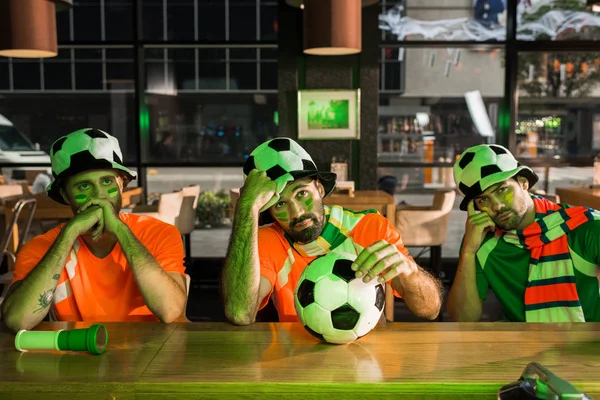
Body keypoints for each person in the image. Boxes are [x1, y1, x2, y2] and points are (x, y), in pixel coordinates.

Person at [222, 137, 442, 325]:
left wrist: (410, 272)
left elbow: (430, 309)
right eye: (280, 204)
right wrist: (246, 208)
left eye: (301, 194)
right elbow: (240, 313)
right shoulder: (269, 240)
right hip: (295, 359)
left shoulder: (368, 228)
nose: (296, 213)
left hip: (368, 358)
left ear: (319, 188)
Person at [1, 128, 187, 332]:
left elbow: (170, 311)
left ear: (122, 184)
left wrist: (120, 230)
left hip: (153, 354)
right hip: (79, 355)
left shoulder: (159, 233)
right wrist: (69, 234)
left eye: (107, 182)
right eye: (83, 187)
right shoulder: (40, 247)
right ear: (65, 195)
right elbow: (17, 320)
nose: (98, 196)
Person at [448, 144, 600, 322]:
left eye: (502, 190)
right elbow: (463, 319)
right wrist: (468, 251)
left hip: (587, 346)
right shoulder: (480, 242)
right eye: (483, 200)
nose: (497, 205)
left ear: (523, 182)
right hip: (521, 346)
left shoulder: (584, 226)